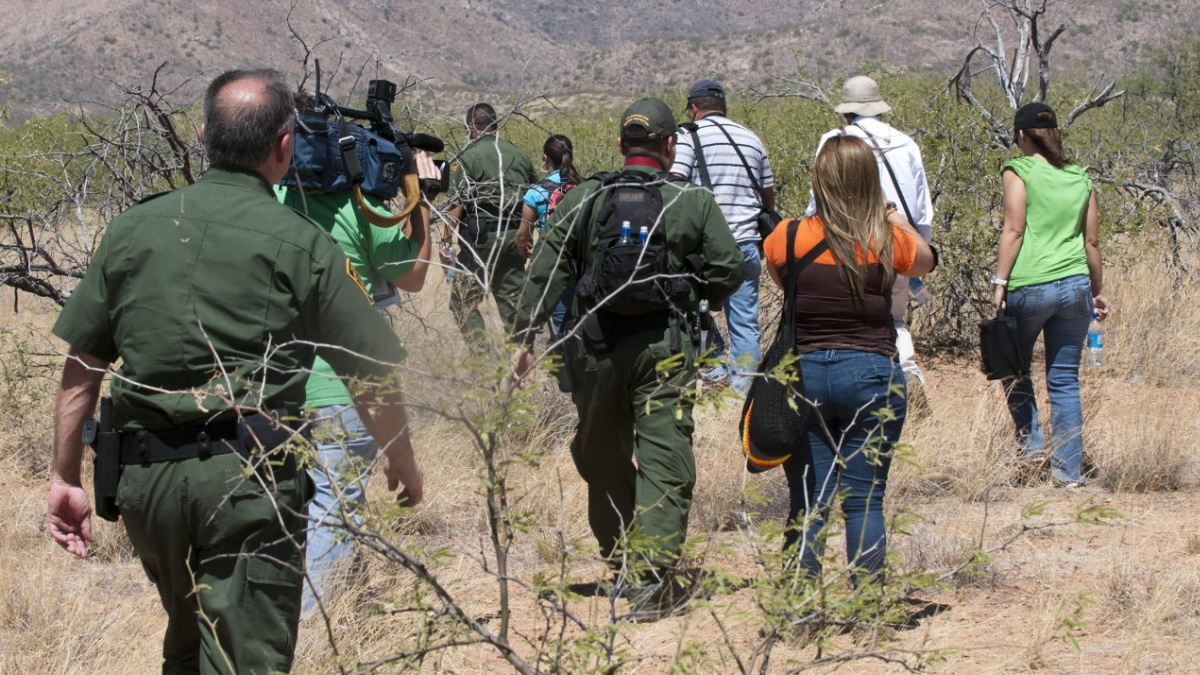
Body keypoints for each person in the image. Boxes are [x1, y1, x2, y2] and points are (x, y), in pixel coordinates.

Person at [45, 69, 423, 674]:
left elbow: (83, 361)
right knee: (246, 660)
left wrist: (65, 475)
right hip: (249, 482)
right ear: (284, 144)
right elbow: (368, 366)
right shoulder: (299, 241)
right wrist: (401, 461)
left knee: (189, 647)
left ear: (203, 135)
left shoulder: (131, 228)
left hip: (146, 486)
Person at [511, 98, 743, 616]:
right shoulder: (691, 201)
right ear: (669, 147)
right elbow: (729, 270)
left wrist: (522, 339)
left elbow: (547, 272)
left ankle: (620, 555)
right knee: (664, 455)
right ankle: (649, 578)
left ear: (620, 145)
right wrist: (692, 286)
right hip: (665, 348)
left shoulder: (584, 198)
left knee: (599, 451)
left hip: (594, 348)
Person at [277, 108, 440, 612]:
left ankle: (303, 607)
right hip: (339, 387)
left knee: (286, 506)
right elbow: (413, 275)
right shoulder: (360, 209)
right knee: (333, 506)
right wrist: (421, 201)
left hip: (269, 385)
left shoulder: (268, 201)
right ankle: (312, 638)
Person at [768, 136, 934, 584]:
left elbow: (791, 288)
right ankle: (866, 604)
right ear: (870, 184)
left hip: (805, 376)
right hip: (872, 374)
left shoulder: (784, 237)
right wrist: (890, 211)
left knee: (809, 498)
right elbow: (926, 260)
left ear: (818, 181)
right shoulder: (887, 239)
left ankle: (798, 604)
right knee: (864, 498)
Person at [991, 102, 1109, 487]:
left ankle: (1031, 449)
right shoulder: (1080, 177)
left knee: (1013, 368)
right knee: (1063, 380)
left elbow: (1014, 229)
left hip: (1030, 283)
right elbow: (1091, 242)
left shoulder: (1018, 170)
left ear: (1021, 135)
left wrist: (999, 282)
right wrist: (1098, 290)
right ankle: (1068, 473)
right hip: (1076, 286)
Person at [807, 75, 935, 414]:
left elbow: (817, 199)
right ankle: (906, 374)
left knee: (849, 320)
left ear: (846, 111)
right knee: (893, 317)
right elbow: (922, 209)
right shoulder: (906, 143)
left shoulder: (835, 140)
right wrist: (916, 249)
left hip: (843, 246)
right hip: (896, 242)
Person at [671, 79, 775, 395]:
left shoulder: (687, 136)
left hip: (704, 249)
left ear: (693, 108)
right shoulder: (752, 139)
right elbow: (767, 198)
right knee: (745, 324)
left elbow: (675, 185)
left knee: (688, 308)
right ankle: (743, 395)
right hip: (745, 244)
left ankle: (716, 372)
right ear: (724, 107)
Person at [442, 102, 539, 351]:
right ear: (495, 124)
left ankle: (484, 359)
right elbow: (536, 197)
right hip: (514, 237)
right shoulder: (520, 154)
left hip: (480, 241)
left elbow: (456, 203)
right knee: (512, 302)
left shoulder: (468, 157)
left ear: (471, 127)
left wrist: (445, 240)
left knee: (462, 300)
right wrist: (526, 231)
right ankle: (521, 358)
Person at [516, 134, 585, 336]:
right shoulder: (585, 186)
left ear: (545, 158)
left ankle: (562, 359)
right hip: (583, 261)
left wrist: (523, 246)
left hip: (554, 262)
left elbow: (522, 235)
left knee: (561, 325)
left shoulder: (536, 191)